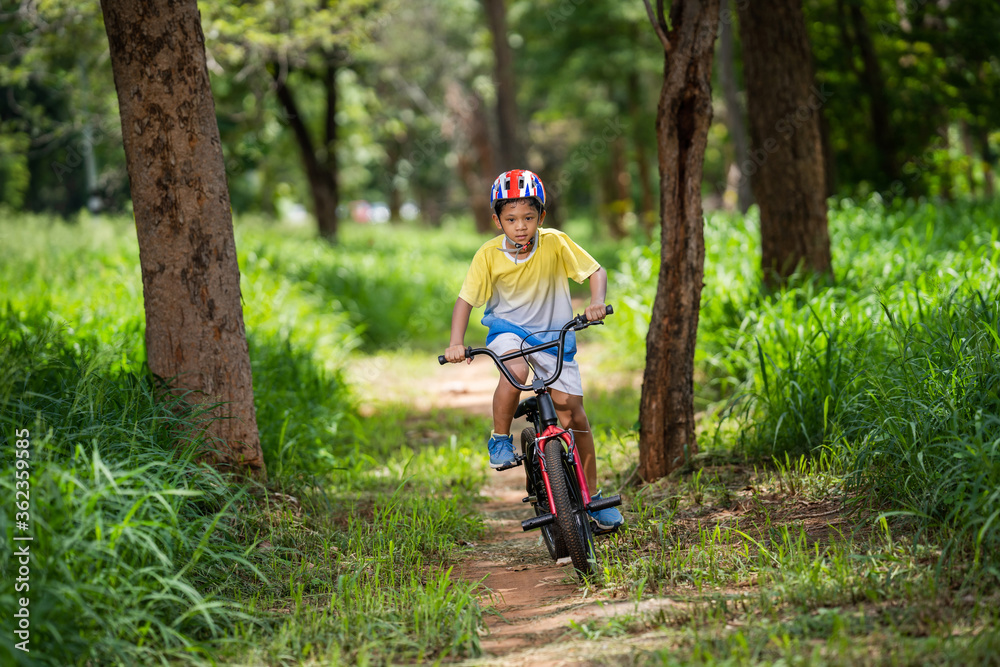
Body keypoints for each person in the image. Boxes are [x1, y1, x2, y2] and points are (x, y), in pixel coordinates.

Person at [443, 169, 624, 532]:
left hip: (553, 334)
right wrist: (456, 343)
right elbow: (465, 300)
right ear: (497, 220)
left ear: (541, 216)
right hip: (509, 331)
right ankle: (499, 437)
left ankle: (591, 496)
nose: (520, 226)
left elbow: (595, 272)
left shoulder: (555, 242)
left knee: (573, 415)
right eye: (510, 219)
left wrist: (596, 302)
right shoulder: (489, 254)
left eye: (528, 217)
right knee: (515, 372)